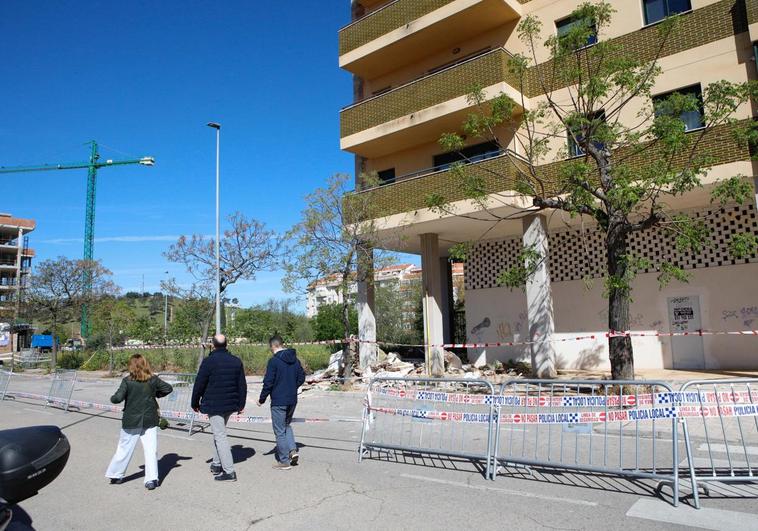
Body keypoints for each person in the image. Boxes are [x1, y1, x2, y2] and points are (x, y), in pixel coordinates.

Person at [106, 354, 173, 490]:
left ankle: (116, 475)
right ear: (145, 364)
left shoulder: (127, 381)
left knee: (124, 448)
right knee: (151, 450)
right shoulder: (153, 379)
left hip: (131, 420)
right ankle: (151, 480)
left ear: (131, 365)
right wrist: (155, 394)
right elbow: (168, 388)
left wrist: (112, 398)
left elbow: (117, 398)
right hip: (150, 419)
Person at [191, 334, 247, 482]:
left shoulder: (209, 362)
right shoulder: (236, 361)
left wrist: (194, 402)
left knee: (220, 435)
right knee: (219, 433)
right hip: (230, 404)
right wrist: (241, 404)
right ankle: (216, 464)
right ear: (226, 344)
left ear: (213, 345)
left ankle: (229, 471)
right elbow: (242, 384)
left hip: (214, 404)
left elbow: (199, 384)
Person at [257, 334, 306, 470]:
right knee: (286, 425)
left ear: (273, 346)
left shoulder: (274, 361)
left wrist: (262, 399)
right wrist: (292, 387)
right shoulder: (295, 360)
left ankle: (284, 461)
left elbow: (268, 382)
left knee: (279, 430)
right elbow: (302, 377)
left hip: (279, 400)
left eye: (270, 347)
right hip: (292, 399)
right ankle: (292, 451)